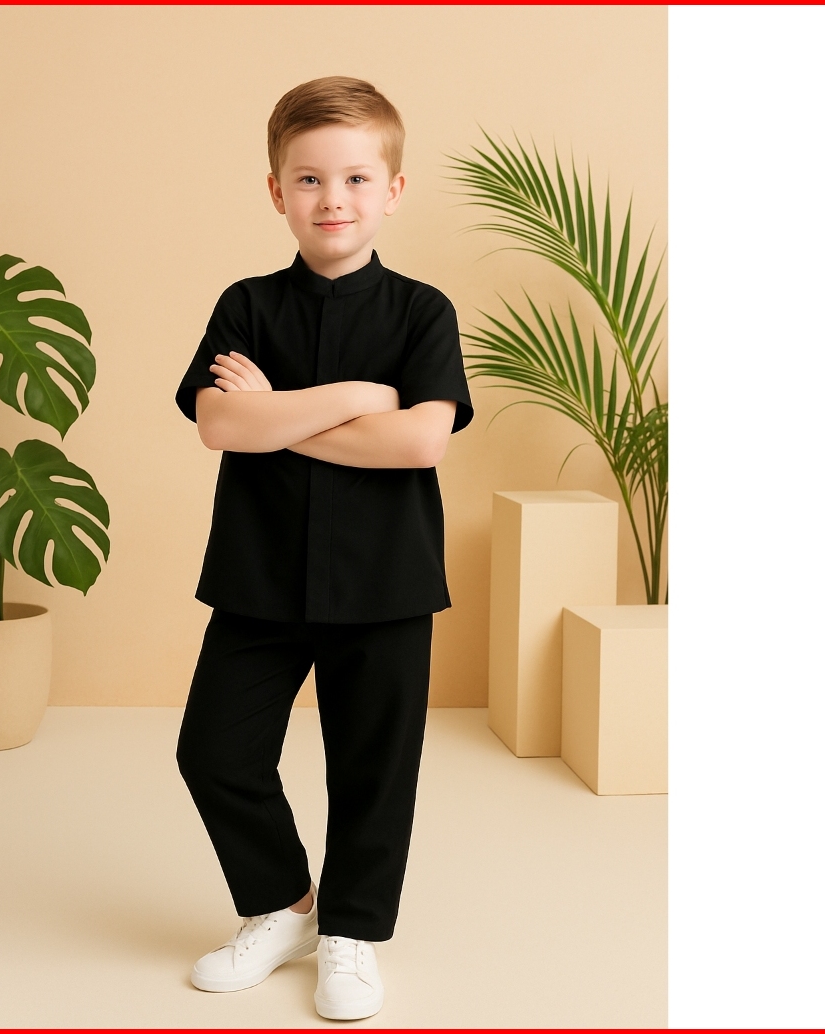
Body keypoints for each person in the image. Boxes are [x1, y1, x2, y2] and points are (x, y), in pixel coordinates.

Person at [173, 75, 473, 1021]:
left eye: (353, 179)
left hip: (388, 582)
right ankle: (283, 906)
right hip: (258, 576)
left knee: (373, 770)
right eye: (308, 179)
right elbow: (219, 423)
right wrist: (354, 400)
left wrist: (279, 415)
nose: (331, 198)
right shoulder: (246, 305)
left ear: (393, 189)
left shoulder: (422, 312)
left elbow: (420, 442)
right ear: (277, 191)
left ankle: (351, 933)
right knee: (214, 751)